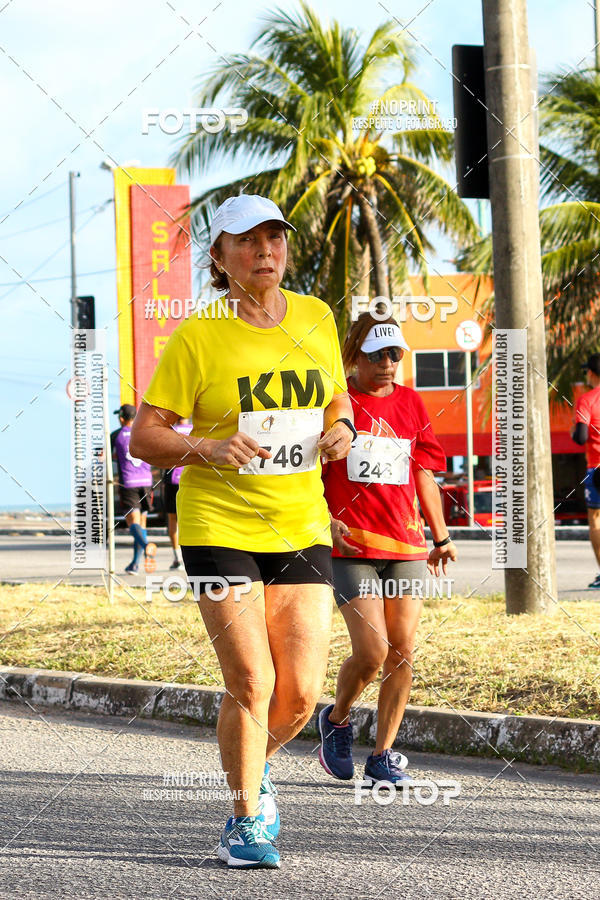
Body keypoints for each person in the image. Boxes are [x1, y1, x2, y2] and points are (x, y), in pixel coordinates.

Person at [129, 194, 353, 870]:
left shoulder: (315, 317)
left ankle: (252, 771)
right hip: (218, 522)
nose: (264, 252)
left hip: (300, 525)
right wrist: (207, 448)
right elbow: (147, 435)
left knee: (301, 694)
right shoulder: (198, 335)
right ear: (220, 257)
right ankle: (243, 821)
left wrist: (343, 427)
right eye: (246, 242)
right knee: (253, 682)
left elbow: (336, 396)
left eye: (274, 239)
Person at [319, 312, 457, 787]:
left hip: (406, 545)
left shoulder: (413, 404)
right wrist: (324, 519)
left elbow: (423, 473)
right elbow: (310, 470)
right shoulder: (338, 403)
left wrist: (440, 538)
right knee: (373, 649)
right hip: (351, 548)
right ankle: (336, 721)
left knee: (402, 650)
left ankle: (383, 753)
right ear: (353, 356)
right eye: (376, 354)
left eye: (395, 353)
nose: (387, 363)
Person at [111, 404, 157, 574]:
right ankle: (135, 564)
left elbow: (104, 457)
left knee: (132, 523)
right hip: (147, 482)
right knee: (142, 524)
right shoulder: (143, 433)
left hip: (128, 483)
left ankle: (146, 548)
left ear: (122, 418)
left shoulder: (116, 435)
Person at [571, 353, 600, 588]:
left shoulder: (587, 400)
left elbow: (580, 438)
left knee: (596, 520)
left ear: (591, 373)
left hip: (597, 467)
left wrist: (574, 430)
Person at [163, 417, 192, 569]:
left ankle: (177, 558)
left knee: (173, 520)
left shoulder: (170, 431)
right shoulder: (197, 430)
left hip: (173, 480)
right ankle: (190, 559)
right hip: (193, 479)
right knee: (191, 519)